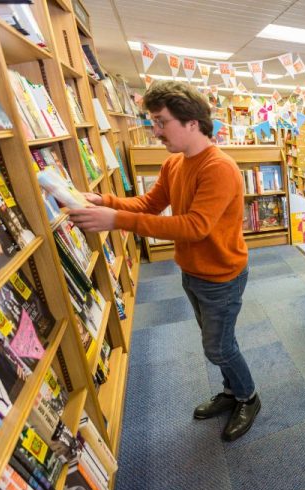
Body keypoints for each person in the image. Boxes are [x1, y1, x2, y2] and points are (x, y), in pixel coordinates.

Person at [68, 81, 259, 442]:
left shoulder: (219, 167)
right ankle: (232, 391)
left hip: (222, 275)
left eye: (161, 122)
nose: (155, 132)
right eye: (153, 122)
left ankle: (248, 396)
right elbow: (149, 205)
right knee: (216, 340)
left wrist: (116, 220)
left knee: (218, 346)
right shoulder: (175, 164)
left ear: (191, 123)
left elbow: (195, 226)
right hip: (192, 271)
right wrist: (103, 201)